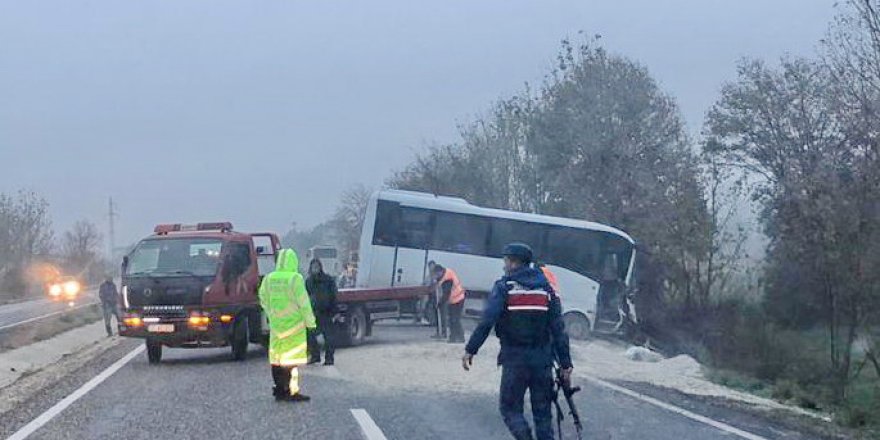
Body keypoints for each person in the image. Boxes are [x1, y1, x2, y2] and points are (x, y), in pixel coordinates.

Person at [462, 243, 573, 440]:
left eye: (505, 261)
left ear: (513, 262)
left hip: (514, 360)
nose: (504, 265)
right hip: (542, 361)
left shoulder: (505, 288)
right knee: (542, 414)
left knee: (510, 410)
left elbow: (487, 321)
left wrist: (471, 349)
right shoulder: (547, 291)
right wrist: (566, 364)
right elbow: (559, 330)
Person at [258, 249, 317, 402]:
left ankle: (279, 389)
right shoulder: (295, 279)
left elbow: (262, 298)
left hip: (276, 327)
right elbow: (304, 304)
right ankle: (291, 391)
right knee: (291, 362)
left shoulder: (269, 278)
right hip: (294, 327)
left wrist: (272, 313)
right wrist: (311, 323)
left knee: (277, 360)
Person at [306, 258, 339, 366]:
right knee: (310, 335)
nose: (315, 269)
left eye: (317, 266)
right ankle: (315, 356)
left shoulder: (328, 280)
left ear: (320, 267)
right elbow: (306, 297)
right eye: (313, 267)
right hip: (313, 313)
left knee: (328, 337)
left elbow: (334, 296)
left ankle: (329, 359)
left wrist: (335, 311)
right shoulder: (309, 281)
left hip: (327, 312)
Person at [432, 263, 466, 343]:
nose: (436, 276)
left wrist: (440, 304)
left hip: (458, 299)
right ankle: (457, 337)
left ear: (439, 272)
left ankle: (456, 338)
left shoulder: (448, 278)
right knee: (453, 319)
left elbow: (446, 294)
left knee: (454, 319)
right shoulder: (446, 273)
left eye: (436, 274)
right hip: (454, 299)